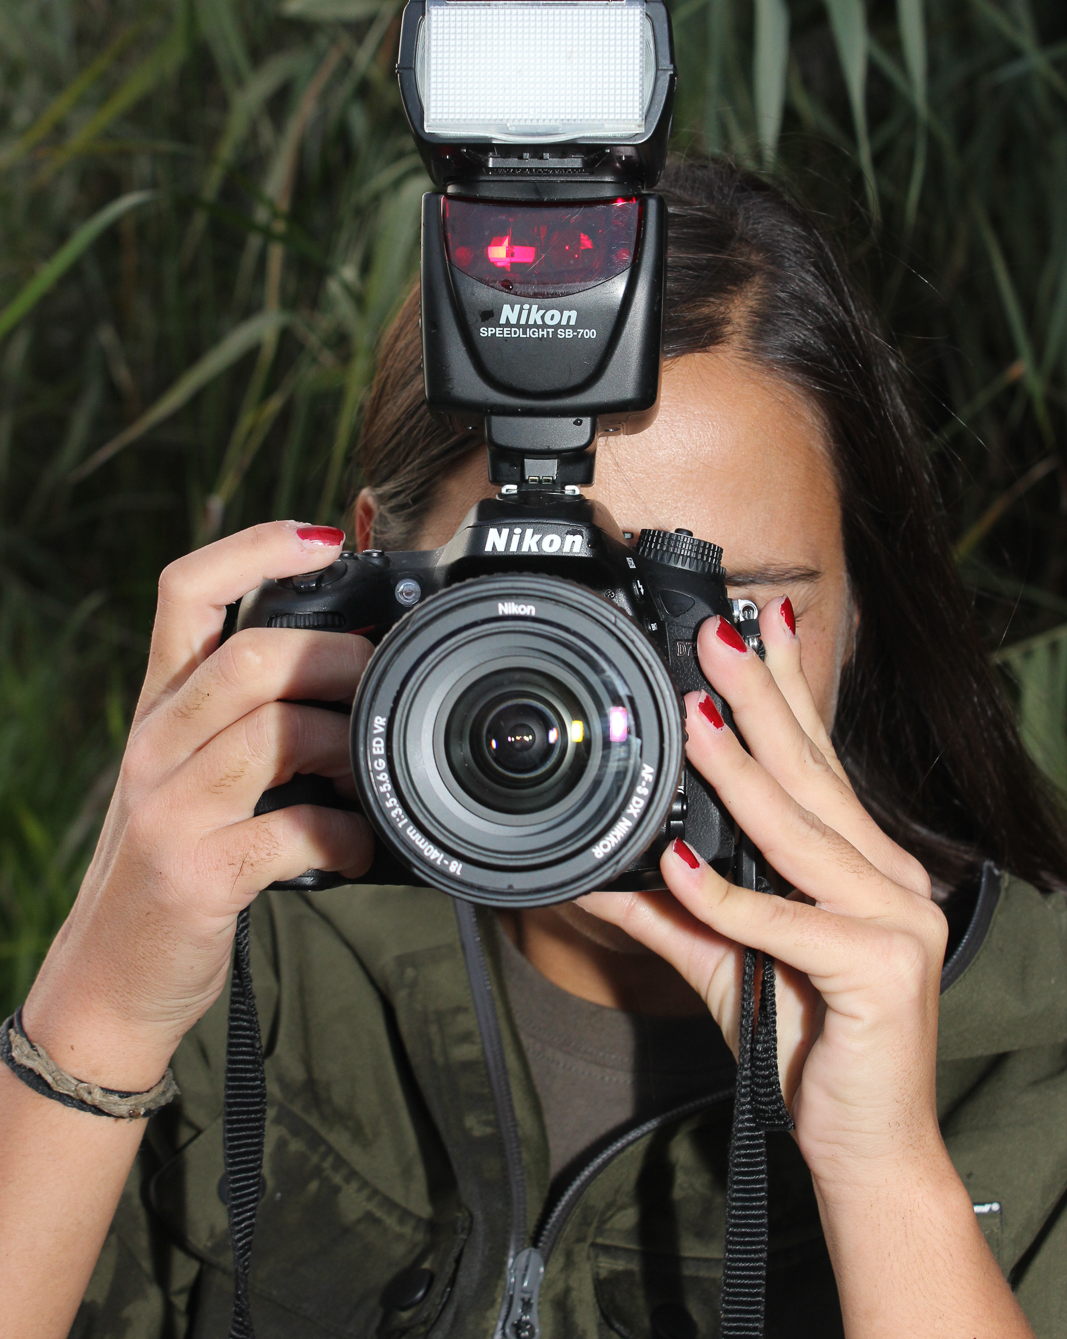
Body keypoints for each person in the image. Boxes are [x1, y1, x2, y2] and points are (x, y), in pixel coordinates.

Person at [2, 157, 1065, 1339]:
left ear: (860, 603)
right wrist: (93, 1018)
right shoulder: (245, 972)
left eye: (726, 613)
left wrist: (887, 1174)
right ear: (376, 575)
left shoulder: (1040, 1065)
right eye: (543, 604)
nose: (625, 696)